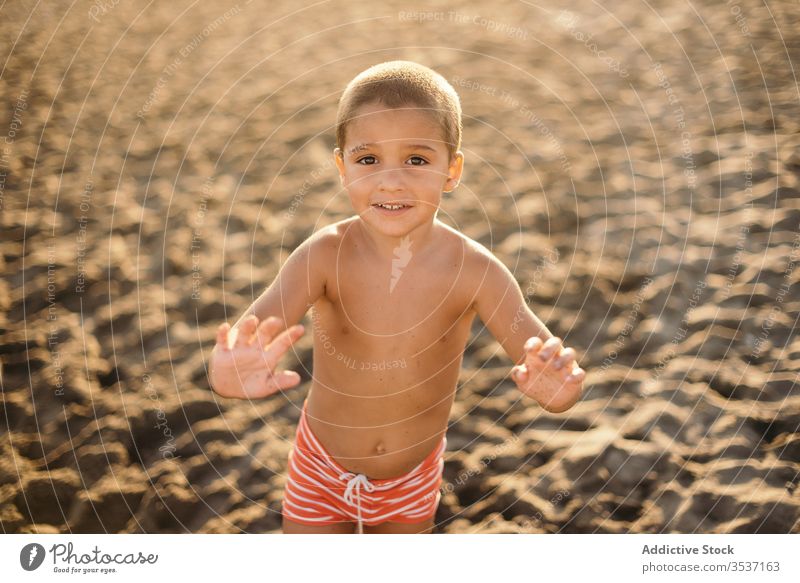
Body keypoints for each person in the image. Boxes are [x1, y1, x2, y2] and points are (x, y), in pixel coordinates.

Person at [209, 60, 585, 534]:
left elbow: (542, 359)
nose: (391, 180)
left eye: (417, 159)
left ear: (452, 170)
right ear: (342, 168)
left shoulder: (476, 271)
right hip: (320, 469)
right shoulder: (323, 256)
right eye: (368, 160)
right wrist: (228, 374)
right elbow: (248, 340)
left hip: (413, 480)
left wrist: (559, 389)